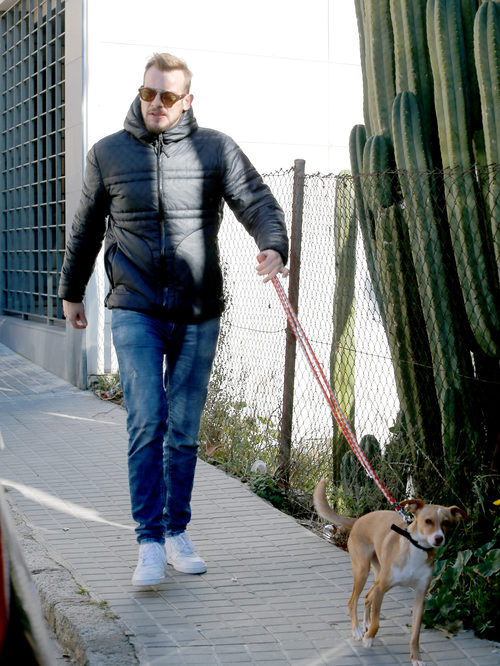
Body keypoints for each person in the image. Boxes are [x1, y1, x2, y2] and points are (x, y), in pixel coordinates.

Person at [58, 53, 289, 587]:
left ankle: (176, 532)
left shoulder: (215, 149)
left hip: (197, 311)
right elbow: (86, 227)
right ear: (140, 93)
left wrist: (273, 245)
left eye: (167, 96)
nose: (155, 105)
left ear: (187, 101)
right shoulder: (108, 154)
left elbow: (255, 201)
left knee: (182, 432)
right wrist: (71, 293)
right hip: (134, 306)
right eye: (148, 94)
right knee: (146, 419)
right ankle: (148, 542)